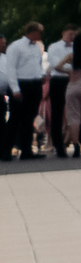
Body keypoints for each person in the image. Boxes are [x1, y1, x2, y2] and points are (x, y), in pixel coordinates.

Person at [2, 23, 44, 161]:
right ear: (32, 32)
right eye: (39, 32)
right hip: (21, 84)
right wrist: (15, 88)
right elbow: (11, 68)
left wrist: (41, 74)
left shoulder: (37, 48)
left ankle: (26, 150)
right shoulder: (16, 46)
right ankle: (5, 150)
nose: (40, 35)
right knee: (15, 119)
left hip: (34, 84)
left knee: (29, 119)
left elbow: (37, 64)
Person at [44, 26, 76, 157]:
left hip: (73, 81)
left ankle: (74, 141)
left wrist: (67, 67)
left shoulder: (76, 47)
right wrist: (69, 68)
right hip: (58, 81)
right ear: (63, 33)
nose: (72, 37)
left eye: (74, 35)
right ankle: (58, 144)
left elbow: (79, 64)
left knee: (73, 112)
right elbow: (54, 65)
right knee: (57, 113)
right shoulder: (54, 47)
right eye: (70, 34)